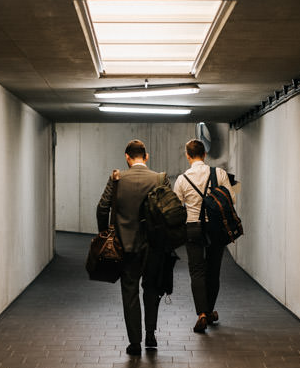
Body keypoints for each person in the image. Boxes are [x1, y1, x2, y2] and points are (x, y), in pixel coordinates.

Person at [96, 139, 171, 355]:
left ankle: (135, 342)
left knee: (130, 291)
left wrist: (105, 234)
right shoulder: (160, 179)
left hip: (125, 245)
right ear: (146, 157)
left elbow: (102, 208)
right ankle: (150, 335)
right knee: (151, 289)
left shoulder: (117, 179)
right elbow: (169, 210)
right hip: (154, 246)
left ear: (127, 157)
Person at [173, 138, 236, 333]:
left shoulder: (183, 178)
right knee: (213, 270)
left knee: (197, 272)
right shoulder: (219, 173)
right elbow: (231, 199)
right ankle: (209, 311)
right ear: (205, 154)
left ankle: (201, 313)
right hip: (216, 228)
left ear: (188, 155)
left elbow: (176, 205)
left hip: (192, 228)